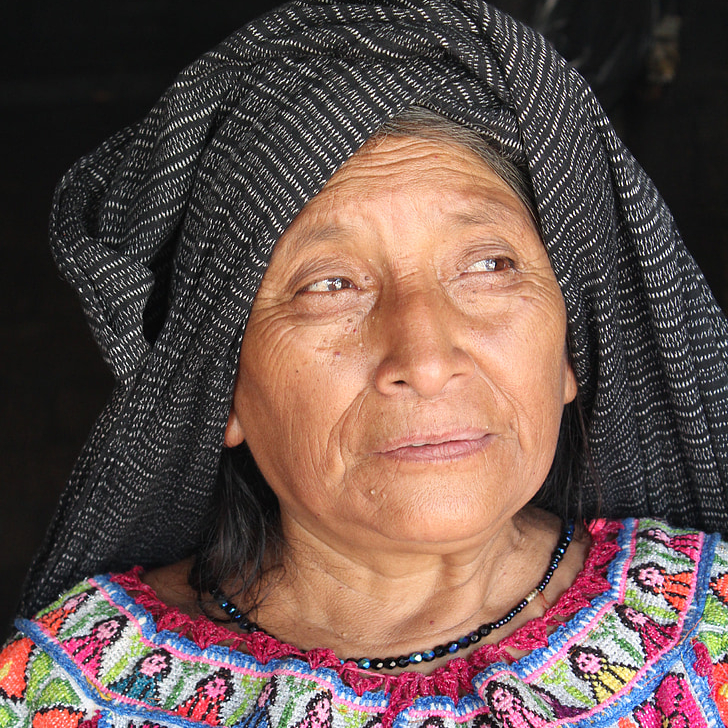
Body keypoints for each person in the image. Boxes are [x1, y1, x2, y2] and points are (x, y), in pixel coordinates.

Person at [3, 1, 728, 727]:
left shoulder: (712, 630)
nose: (425, 358)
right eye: (329, 285)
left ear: (568, 349)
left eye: (487, 264)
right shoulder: (73, 694)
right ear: (221, 389)